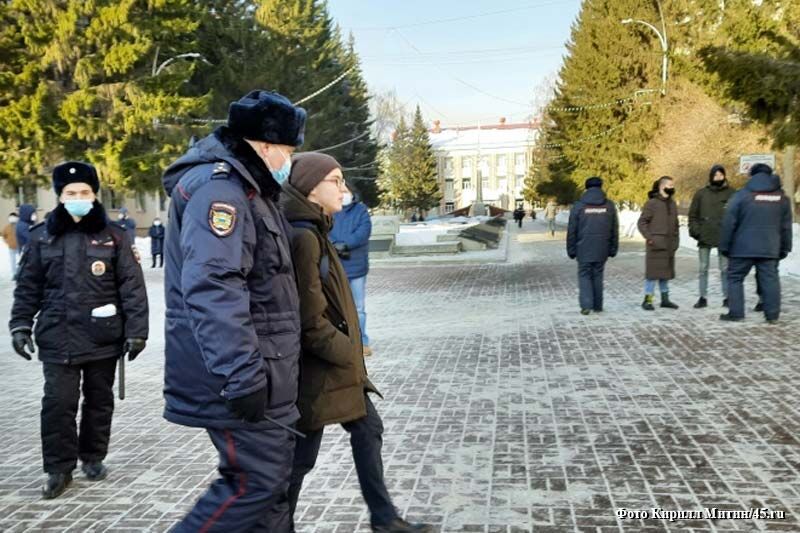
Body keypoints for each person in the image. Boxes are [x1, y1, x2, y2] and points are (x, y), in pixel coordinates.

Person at [161, 89, 305, 532]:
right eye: (288, 150)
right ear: (264, 145)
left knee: (272, 485)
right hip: (240, 372)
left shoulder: (252, 191)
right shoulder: (220, 192)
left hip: (266, 366)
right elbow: (213, 285)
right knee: (254, 482)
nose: (291, 160)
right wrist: (241, 375)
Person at [279, 152, 432, 533]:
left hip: (334, 363)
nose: (344, 188)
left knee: (367, 428)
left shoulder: (316, 228)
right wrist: (348, 351)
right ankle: (277, 526)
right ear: (312, 187)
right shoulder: (303, 237)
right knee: (300, 459)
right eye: (336, 180)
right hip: (317, 368)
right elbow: (309, 320)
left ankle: (384, 518)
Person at [9, 161, 148, 499]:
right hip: (57, 335)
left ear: (94, 195)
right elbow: (28, 285)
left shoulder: (114, 236)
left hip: (103, 334)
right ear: (60, 196)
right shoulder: (43, 236)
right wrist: (20, 324)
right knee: (58, 403)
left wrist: (137, 330)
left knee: (99, 401)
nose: (78, 198)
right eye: (71, 193)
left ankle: (93, 456)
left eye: (85, 192)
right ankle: (58, 468)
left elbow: (132, 285)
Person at [719, 163, 792, 323]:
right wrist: (785, 248)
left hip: (742, 248)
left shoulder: (742, 195)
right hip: (770, 247)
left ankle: (736, 313)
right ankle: (772, 315)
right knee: (770, 280)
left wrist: (724, 246)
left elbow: (729, 222)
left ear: (752, 176)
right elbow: (786, 226)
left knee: (735, 278)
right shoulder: (782, 198)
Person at [330, 183, 374, 357]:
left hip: (356, 266)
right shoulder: (332, 209)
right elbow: (325, 230)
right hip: (336, 265)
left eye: (346, 190)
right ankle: (343, 341)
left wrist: (345, 244)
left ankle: (362, 342)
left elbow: (363, 232)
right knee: (337, 307)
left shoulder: (361, 210)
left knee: (358, 308)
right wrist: (335, 245)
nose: (343, 193)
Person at [567, 177, 619, 315]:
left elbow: (572, 229)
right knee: (598, 275)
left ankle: (586, 305)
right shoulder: (609, 205)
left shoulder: (579, 206)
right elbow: (614, 228)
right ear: (601, 187)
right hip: (602, 248)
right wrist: (613, 248)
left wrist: (571, 249)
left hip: (583, 247)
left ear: (586, 188)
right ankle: (597, 305)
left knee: (584, 275)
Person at [688, 164, 736, 308]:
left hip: (724, 236)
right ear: (711, 176)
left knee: (725, 269)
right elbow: (693, 215)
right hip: (705, 235)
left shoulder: (732, 193)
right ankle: (703, 297)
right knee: (703, 268)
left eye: (721, 175)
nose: (718, 178)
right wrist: (697, 231)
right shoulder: (701, 194)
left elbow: (737, 214)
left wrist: (733, 232)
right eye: (716, 175)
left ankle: (727, 297)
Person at [638, 177, 680, 311]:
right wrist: (650, 238)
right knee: (652, 274)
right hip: (655, 244)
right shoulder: (652, 203)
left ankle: (665, 299)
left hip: (669, 244)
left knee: (665, 273)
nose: (672, 187)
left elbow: (676, 224)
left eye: (673, 185)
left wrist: (676, 240)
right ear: (662, 187)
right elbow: (642, 222)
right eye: (669, 185)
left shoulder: (672, 203)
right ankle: (648, 300)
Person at [2, 212, 19, 277]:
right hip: (11, 247)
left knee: (20, 261)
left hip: (19, 247)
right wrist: (7, 241)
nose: (12, 218)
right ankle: (14, 274)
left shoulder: (19, 226)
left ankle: (20, 273)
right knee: (13, 261)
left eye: (14, 217)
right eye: (11, 217)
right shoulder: (7, 227)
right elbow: (3, 235)